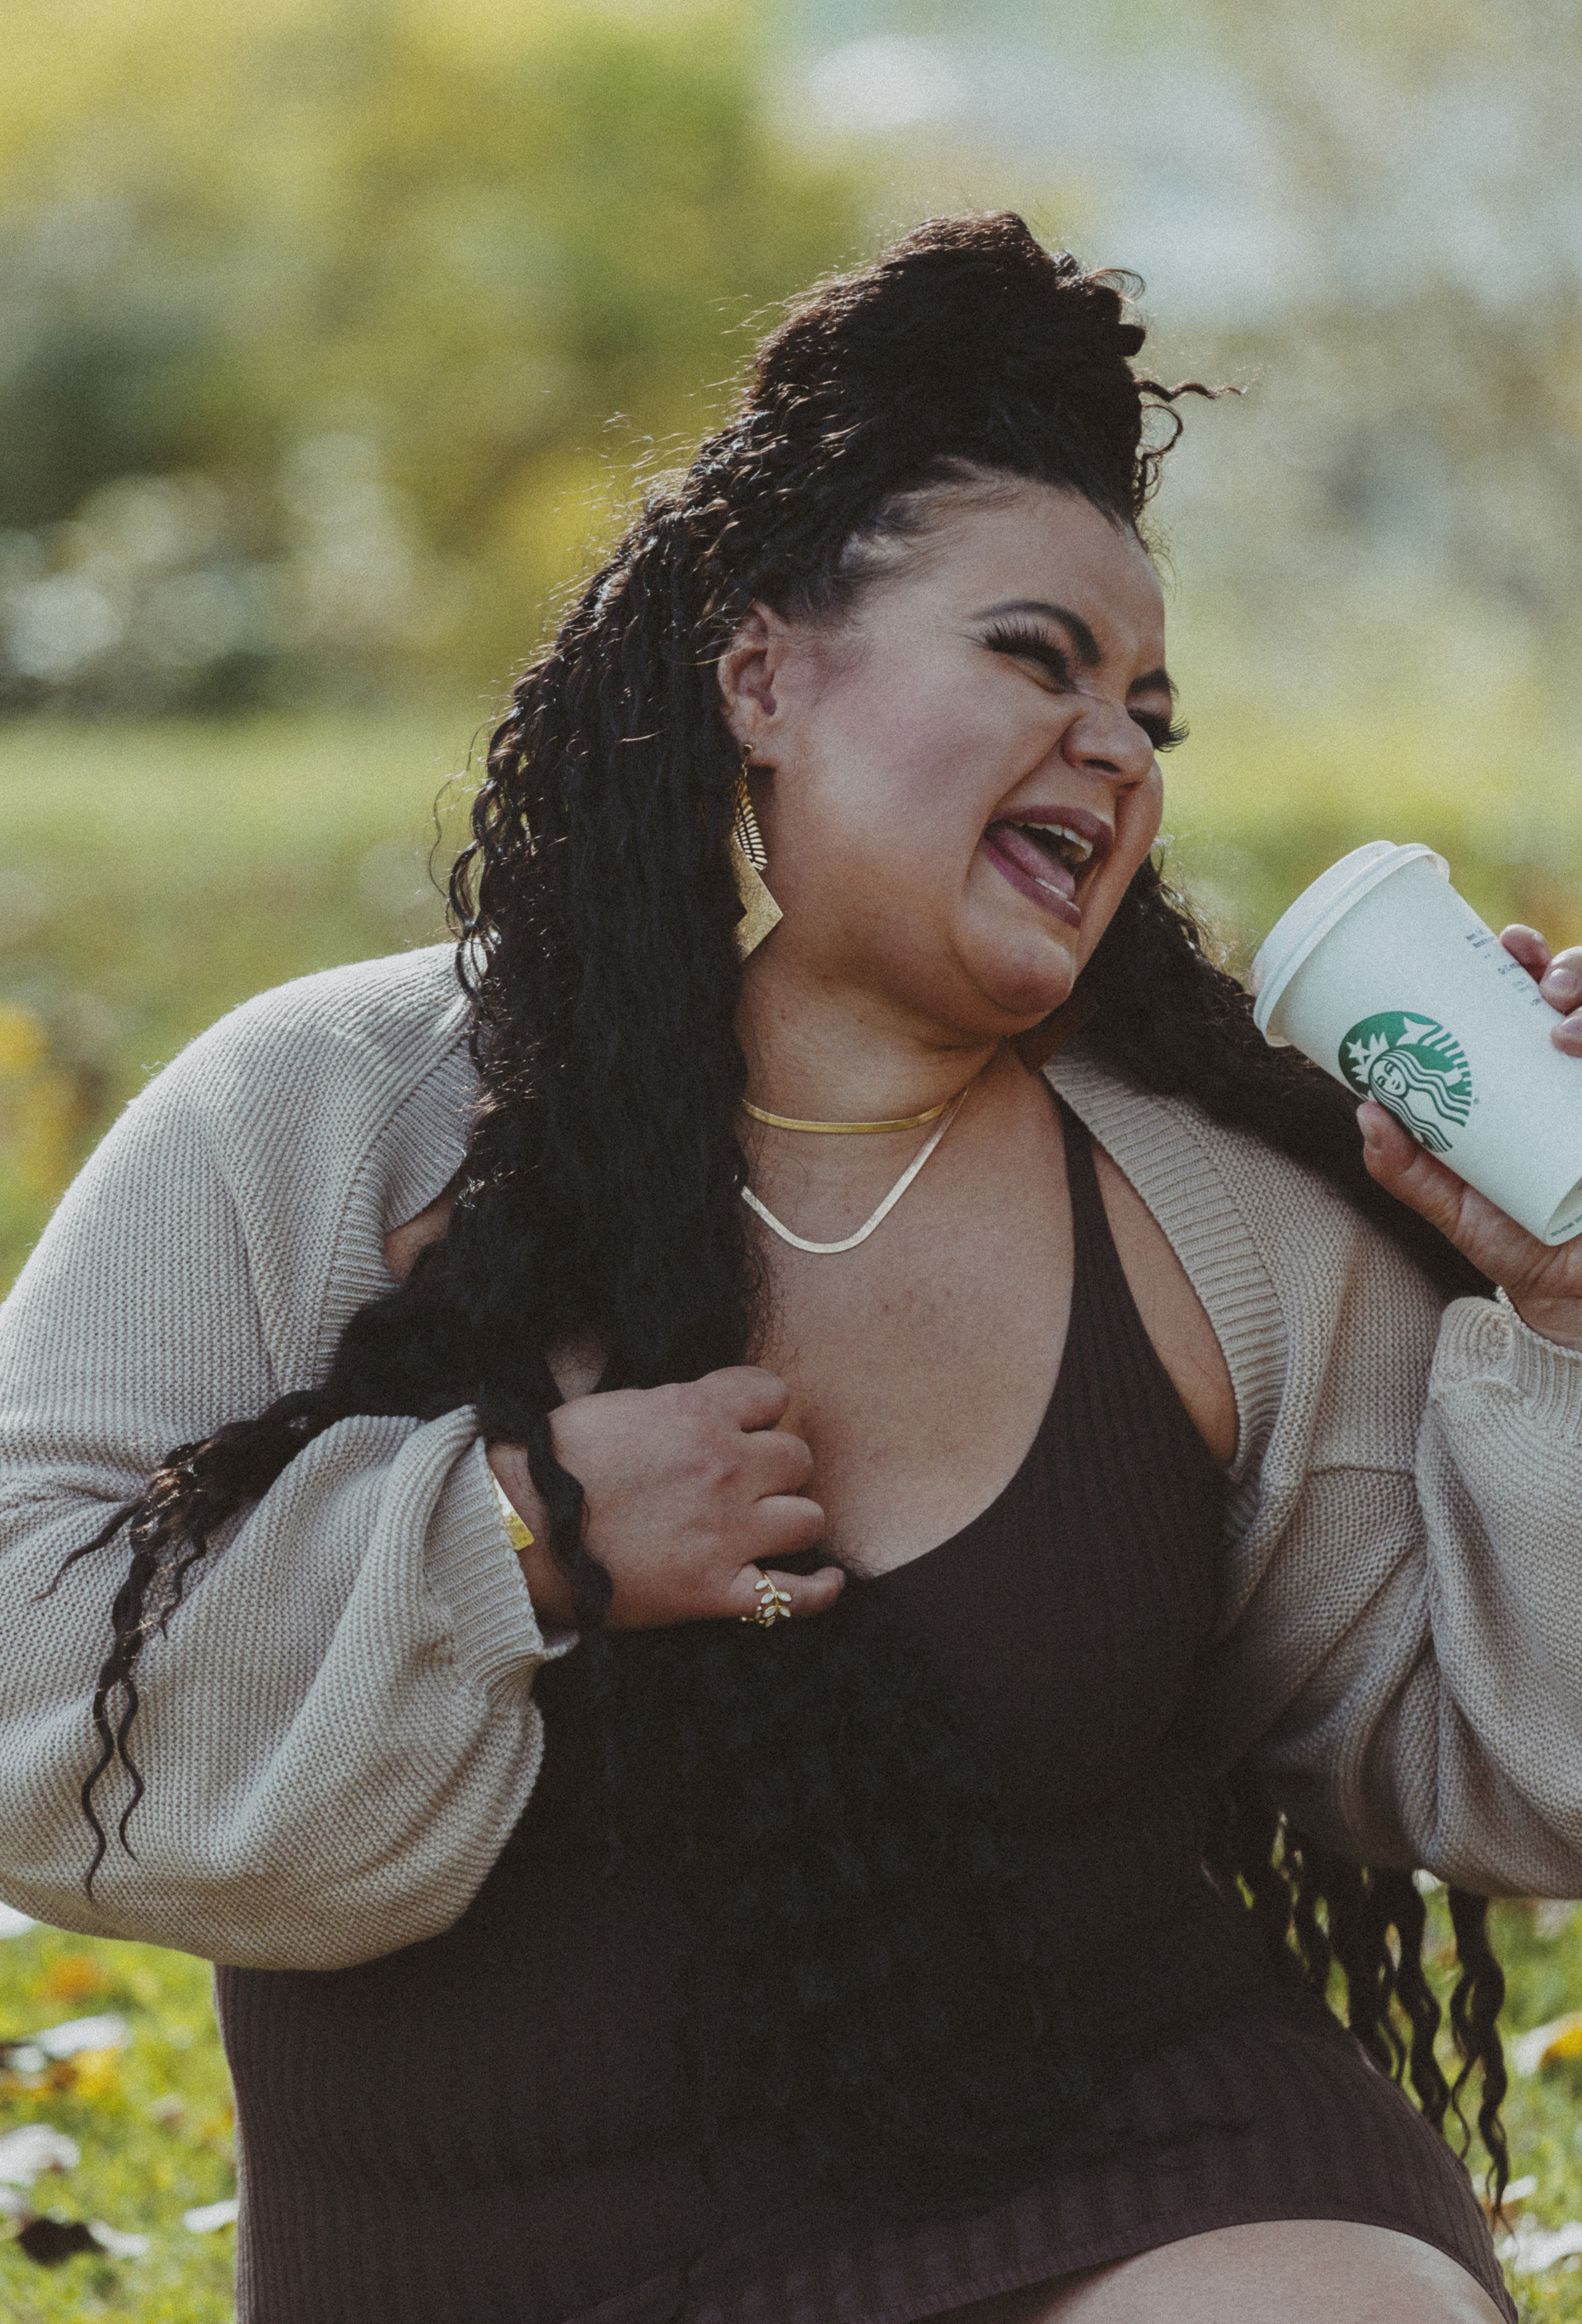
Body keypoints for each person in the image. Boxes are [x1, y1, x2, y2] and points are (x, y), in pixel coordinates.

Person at [0, 213, 1579, 2324]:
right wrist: (513, 1538)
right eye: (1035, 658)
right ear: (761, 678)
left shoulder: (1224, 1220)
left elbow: (1512, 1764)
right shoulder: (317, 1118)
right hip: (507, 2257)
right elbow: (25, 1678)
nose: (1118, 747)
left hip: (1134, 2175)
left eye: (1149, 711)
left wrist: (1563, 1320)